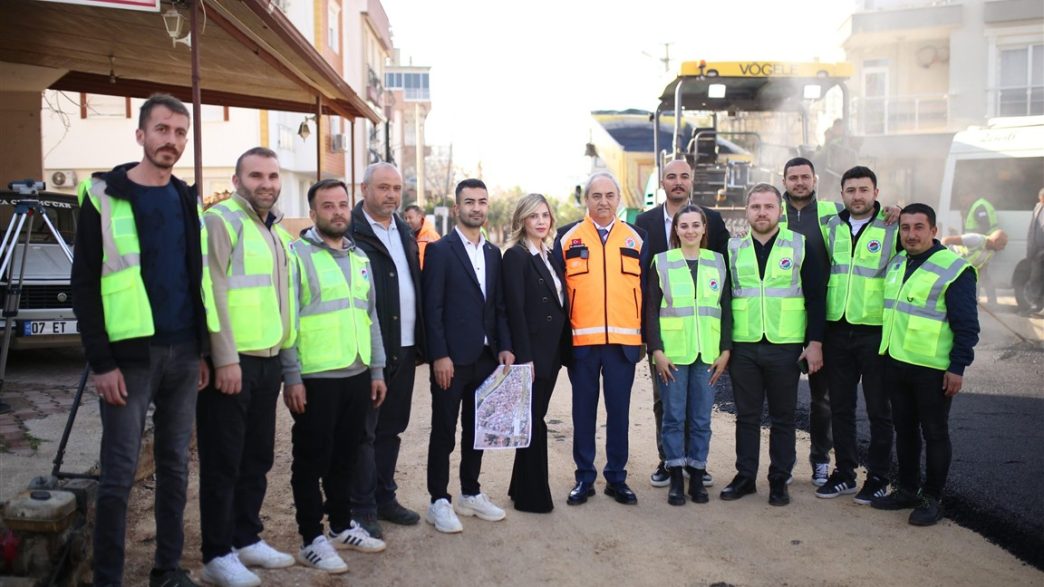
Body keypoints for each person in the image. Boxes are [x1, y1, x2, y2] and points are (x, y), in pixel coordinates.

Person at [71, 93, 209, 587]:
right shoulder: (103, 196)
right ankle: (108, 578)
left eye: (179, 133)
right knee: (118, 474)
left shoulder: (185, 198)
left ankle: (167, 569)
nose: (171, 140)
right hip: (129, 359)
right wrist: (101, 362)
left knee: (175, 468)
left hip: (184, 352)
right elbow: (84, 284)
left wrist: (202, 351)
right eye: (162, 129)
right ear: (141, 135)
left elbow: (195, 278)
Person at [197, 147, 297, 587]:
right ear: (237, 181)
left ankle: (245, 538)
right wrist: (223, 357)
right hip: (234, 363)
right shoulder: (221, 221)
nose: (266, 184)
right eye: (256, 176)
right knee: (224, 460)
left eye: (272, 176)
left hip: (268, 361)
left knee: (257, 456)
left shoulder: (274, 230)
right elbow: (212, 289)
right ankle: (216, 553)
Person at [282, 179, 388, 574]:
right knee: (311, 459)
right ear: (313, 213)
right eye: (328, 206)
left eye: (343, 204)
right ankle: (311, 538)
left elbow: (370, 317)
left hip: (357, 372)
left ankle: (342, 526)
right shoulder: (297, 256)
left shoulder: (359, 258)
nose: (338, 212)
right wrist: (291, 376)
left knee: (346, 455)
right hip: (316, 376)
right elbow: (288, 320)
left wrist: (376, 369)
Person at [872, 203, 979, 526]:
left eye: (919, 227)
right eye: (905, 228)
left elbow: (967, 326)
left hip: (932, 369)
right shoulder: (897, 263)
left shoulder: (954, 269)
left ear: (934, 230)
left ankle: (932, 498)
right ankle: (907, 489)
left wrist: (957, 367)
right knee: (904, 430)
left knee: (934, 433)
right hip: (897, 362)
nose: (911, 234)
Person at [720, 183, 826, 507]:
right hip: (744, 345)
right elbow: (724, 300)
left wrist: (815, 342)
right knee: (746, 416)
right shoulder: (733, 248)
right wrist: (725, 346)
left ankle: (779, 479)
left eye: (769, 207)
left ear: (780, 211)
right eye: (756, 207)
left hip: (785, 345)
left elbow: (816, 297)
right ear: (747, 211)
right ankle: (745, 477)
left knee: (783, 417)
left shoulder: (800, 246)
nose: (762, 213)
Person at [423, 178, 514, 533]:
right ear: (457, 207)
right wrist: (439, 355)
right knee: (444, 431)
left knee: (477, 431)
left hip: (486, 357)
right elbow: (433, 308)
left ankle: (470, 492)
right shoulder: (440, 251)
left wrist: (504, 346)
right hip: (452, 360)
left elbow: (499, 306)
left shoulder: (493, 253)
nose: (476, 207)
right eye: (469, 202)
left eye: (482, 201)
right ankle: (438, 500)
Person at [554, 172, 649, 506]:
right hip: (582, 345)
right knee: (583, 413)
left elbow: (647, 293)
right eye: (596, 196)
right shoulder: (566, 238)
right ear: (587, 200)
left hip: (623, 345)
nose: (603, 202)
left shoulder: (637, 238)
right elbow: (558, 294)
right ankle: (584, 478)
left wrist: (646, 340)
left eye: (610, 195)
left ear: (619, 199)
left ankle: (617, 478)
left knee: (619, 414)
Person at [635, 159, 728, 489]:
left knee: (699, 410)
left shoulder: (712, 219)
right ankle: (669, 462)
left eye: (684, 176)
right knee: (666, 404)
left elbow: (724, 282)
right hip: (668, 339)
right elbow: (645, 285)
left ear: (692, 180)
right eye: (671, 176)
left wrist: (725, 345)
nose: (678, 181)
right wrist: (652, 343)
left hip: (704, 341)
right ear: (663, 182)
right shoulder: (644, 221)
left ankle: (695, 464)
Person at [348, 163, 426, 538]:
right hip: (370, 350)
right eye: (383, 187)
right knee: (363, 432)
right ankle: (360, 508)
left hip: (406, 347)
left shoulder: (404, 230)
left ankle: (384, 498)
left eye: (396, 188)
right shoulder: (352, 232)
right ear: (364, 188)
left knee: (392, 428)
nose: (391, 194)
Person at [817, 166, 897, 504]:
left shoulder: (892, 227)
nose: (857, 196)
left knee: (879, 410)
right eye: (851, 190)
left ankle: (878, 477)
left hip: (875, 331)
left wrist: (901, 210)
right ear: (842, 194)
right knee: (841, 408)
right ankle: (845, 474)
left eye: (864, 190)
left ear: (876, 193)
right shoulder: (831, 226)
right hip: (838, 330)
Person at [502, 193, 571, 513]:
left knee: (534, 417)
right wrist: (525, 357)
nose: (541, 221)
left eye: (545, 215)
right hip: (532, 354)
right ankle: (533, 497)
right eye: (533, 216)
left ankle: (519, 488)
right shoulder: (516, 256)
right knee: (534, 421)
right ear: (522, 220)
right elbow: (514, 309)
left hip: (552, 351)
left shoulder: (550, 253)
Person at [779, 157, 837, 487]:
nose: (799, 182)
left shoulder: (833, 212)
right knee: (783, 399)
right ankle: (783, 464)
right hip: (783, 319)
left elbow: (867, 218)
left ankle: (821, 461)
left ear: (815, 179)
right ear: (784, 181)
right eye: (793, 177)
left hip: (822, 315)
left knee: (822, 398)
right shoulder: (773, 211)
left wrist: (894, 212)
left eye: (805, 177)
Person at [963, 197, 1000, 304]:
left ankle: (982, 300)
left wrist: (975, 239)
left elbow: (984, 226)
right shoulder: (982, 204)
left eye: (964, 197)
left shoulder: (979, 206)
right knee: (980, 274)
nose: (963, 200)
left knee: (980, 274)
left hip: (981, 247)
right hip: (985, 246)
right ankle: (985, 300)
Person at [403, 203, 440, 269]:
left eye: (410, 218)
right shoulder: (407, 236)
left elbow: (439, 259)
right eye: (406, 218)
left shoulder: (432, 235)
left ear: (419, 217)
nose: (407, 221)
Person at [1025, 188, 1044, 313]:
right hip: (1037, 251)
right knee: (1036, 278)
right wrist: (1030, 250)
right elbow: (1032, 229)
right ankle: (1036, 305)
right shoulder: (1038, 208)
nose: (1041, 200)